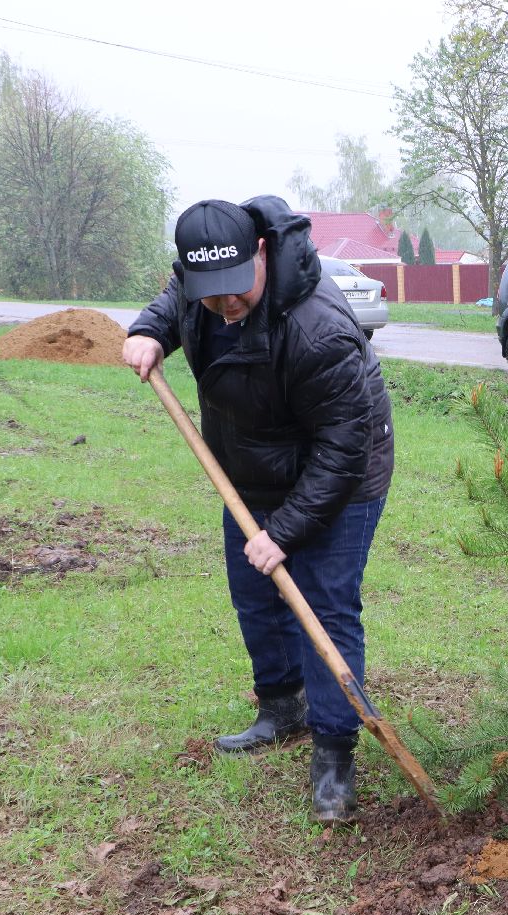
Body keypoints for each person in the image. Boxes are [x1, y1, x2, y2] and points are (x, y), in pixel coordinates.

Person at [122, 196, 394, 823]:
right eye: (210, 292)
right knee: (254, 591)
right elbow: (172, 300)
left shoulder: (318, 328)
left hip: (342, 473)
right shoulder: (202, 287)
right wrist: (148, 330)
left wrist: (287, 532)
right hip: (248, 468)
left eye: (236, 287)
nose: (226, 303)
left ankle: (334, 750)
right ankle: (281, 707)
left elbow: (341, 449)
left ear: (262, 253)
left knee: (323, 605)